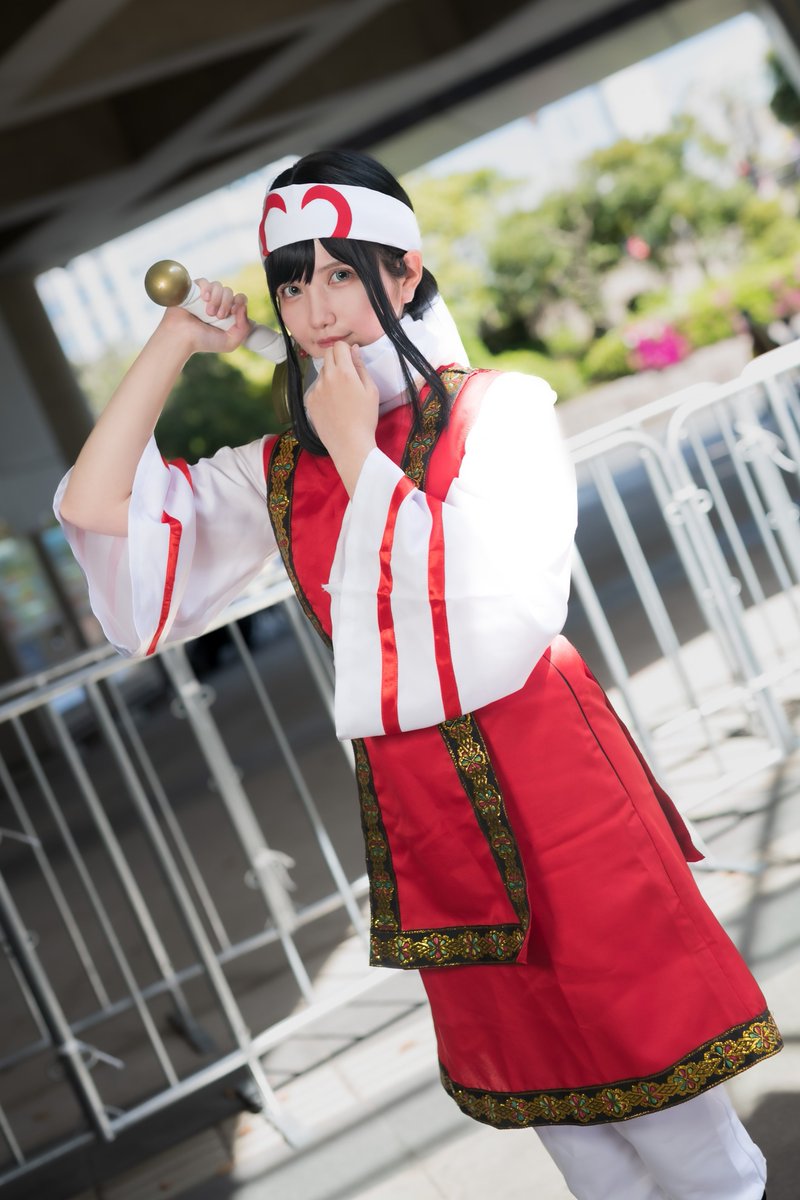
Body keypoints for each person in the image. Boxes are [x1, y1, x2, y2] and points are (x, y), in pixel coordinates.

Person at [56, 150, 779, 1200]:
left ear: (404, 274)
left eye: (340, 273)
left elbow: (495, 619)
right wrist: (172, 343)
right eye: (291, 284)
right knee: (573, 1136)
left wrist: (360, 454)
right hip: (427, 817)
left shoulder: (503, 410)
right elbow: (97, 509)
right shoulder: (280, 469)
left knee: (680, 1126)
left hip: (558, 789)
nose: (315, 309)